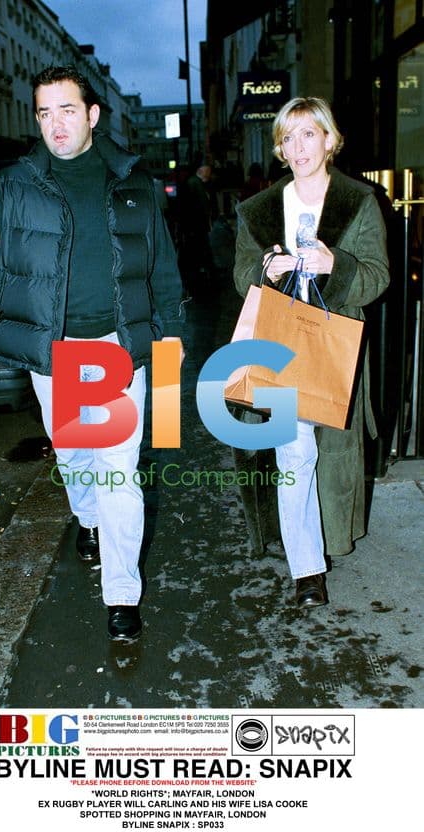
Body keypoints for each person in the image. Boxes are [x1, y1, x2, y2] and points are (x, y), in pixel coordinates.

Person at [0, 65, 184, 642]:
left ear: (93, 115)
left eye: (67, 110)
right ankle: (88, 519)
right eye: (44, 113)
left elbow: (163, 268)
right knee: (75, 455)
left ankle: (122, 595)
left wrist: (169, 346)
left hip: (119, 346)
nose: (55, 124)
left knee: (119, 469)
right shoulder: (20, 181)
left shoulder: (132, 180)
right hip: (59, 353)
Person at [233, 96, 390, 608]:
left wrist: (334, 265)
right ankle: (307, 569)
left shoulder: (359, 202)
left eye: (308, 134)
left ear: (329, 139)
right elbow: (240, 276)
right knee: (293, 452)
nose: (298, 147)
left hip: (335, 340)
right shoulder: (258, 211)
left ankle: (330, 537)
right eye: (288, 137)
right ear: (280, 147)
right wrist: (264, 271)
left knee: (337, 451)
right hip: (279, 342)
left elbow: (378, 276)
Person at [177, 161, 215, 297]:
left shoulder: (193, 183)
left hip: (193, 227)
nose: (209, 174)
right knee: (198, 253)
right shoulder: (196, 184)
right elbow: (202, 207)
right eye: (208, 171)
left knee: (195, 253)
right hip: (196, 227)